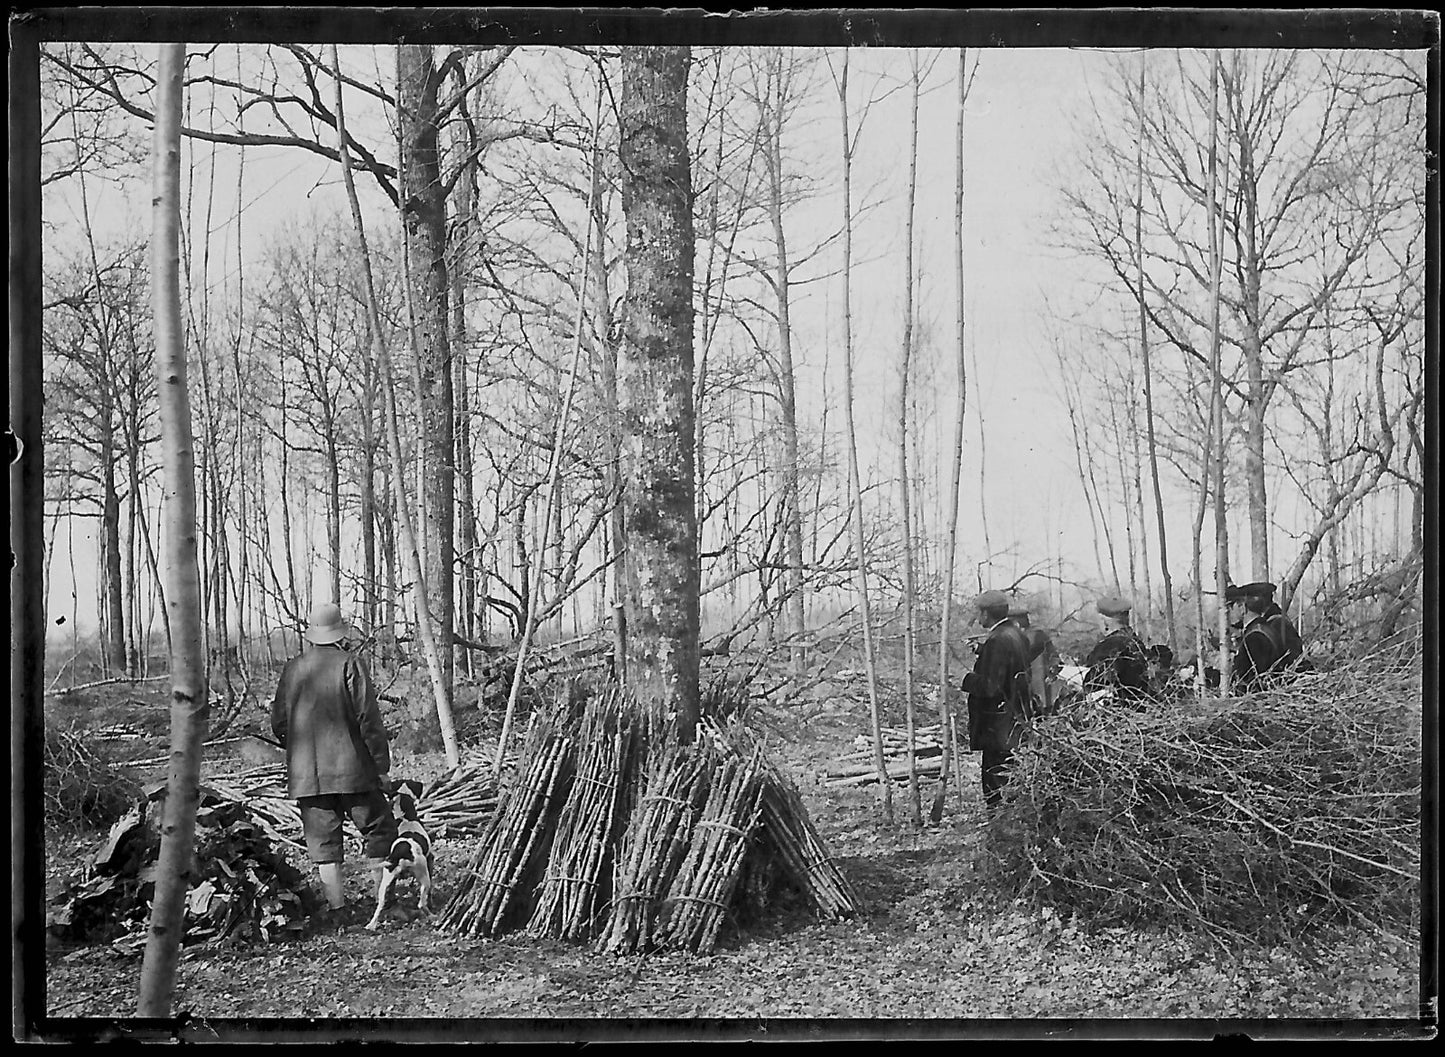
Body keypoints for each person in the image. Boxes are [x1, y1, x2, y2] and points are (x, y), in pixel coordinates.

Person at [271, 601, 398, 925]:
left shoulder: (292, 669)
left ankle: (337, 909)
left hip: (308, 777)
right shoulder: (350, 664)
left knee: (324, 842)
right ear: (339, 633)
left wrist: (299, 752)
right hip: (354, 772)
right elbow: (369, 720)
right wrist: (380, 766)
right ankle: (383, 903)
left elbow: (279, 724)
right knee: (379, 830)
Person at [962, 590, 1034, 808]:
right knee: (1011, 779)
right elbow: (1009, 666)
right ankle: (1009, 823)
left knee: (996, 785)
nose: (977, 618)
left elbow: (991, 686)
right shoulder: (1016, 634)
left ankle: (999, 826)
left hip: (997, 727)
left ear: (986, 614)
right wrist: (982, 650)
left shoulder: (997, 640)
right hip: (1014, 721)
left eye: (979, 612)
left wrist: (966, 679)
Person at [1225, 581, 1305, 692]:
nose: (1229, 611)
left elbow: (1257, 680)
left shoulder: (1256, 636)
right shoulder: (1263, 629)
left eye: (1231, 606)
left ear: (1242, 607)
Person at [1084, 596, 1150, 703]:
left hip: (1117, 709)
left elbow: (1094, 685)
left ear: (1105, 623)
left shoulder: (1108, 647)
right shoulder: (1137, 643)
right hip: (1141, 707)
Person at [1009, 603, 1061, 718]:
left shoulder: (1035, 634)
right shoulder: (1026, 634)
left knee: (1042, 709)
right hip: (1032, 680)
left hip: (1040, 679)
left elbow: (1028, 652)